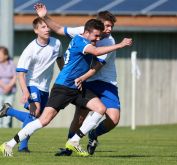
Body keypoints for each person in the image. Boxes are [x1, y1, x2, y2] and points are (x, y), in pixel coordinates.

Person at [0, 18, 132, 157]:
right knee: (43, 120)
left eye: (99, 36)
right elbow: (97, 51)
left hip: (77, 86)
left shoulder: (84, 40)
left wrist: (82, 77)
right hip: (63, 87)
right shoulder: (80, 41)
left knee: (100, 109)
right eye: (95, 36)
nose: (97, 39)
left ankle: (74, 141)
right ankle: (8, 144)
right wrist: (120, 45)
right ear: (86, 32)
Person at [35, 6, 123, 156]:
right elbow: (61, 30)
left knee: (113, 119)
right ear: (98, 23)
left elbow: (97, 66)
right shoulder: (85, 31)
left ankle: (93, 134)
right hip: (88, 82)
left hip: (106, 83)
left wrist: (82, 77)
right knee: (80, 116)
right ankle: (69, 147)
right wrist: (45, 16)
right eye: (107, 25)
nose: (109, 29)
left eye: (111, 26)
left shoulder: (109, 41)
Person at [0, 17, 63, 152]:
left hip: (45, 87)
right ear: (36, 30)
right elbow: (20, 74)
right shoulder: (30, 49)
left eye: (48, 27)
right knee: (35, 113)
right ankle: (22, 147)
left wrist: (65, 74)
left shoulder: (57, 43)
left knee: (39, 119)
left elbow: (60, 60)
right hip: (31, 83)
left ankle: (8, 111)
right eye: (43, 27)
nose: (47, 29)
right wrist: (26, 91)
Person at [0, 46, 16, 128]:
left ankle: (6, 126)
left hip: (10, 91)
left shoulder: (12, 64)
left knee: (8, 109)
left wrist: (9, 86)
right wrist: (4, 86)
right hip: (0, 90)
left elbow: (15, 76)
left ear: (6, 55)